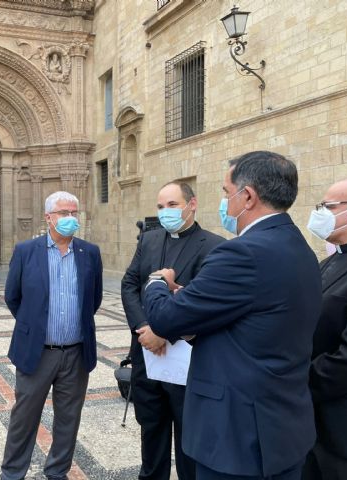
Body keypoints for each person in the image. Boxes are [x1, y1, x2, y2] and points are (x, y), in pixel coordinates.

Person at [142, 151, 322, 480]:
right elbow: (254, 320)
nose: (225, 202)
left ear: (248, 196)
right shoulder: (299, 247)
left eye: (227, 193)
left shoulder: (242, 252)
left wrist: (157, 282)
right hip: (281, 430)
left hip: (238, 439)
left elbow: (165, 319)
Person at [121, 181, 224, 480]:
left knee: (189, 437)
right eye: (160, 207)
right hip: (147, 357)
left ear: (192, 204)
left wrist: (164, 333)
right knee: (151, 429)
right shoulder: (149, 241)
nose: (165, 212)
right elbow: (130, 284)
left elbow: (205, 303)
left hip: (188, 362)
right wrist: (143, 327)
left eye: (172, 205)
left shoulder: (215, 246)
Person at [0, 191, 103, 480]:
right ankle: (12, 473)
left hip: (76, 353)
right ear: (48, 217)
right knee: (24, 417)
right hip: (38, 351)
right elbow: (13, 297)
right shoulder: (26, 251)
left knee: (68, 419)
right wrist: (33, 327)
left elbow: (93, 300)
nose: (70, 218)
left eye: (74, 212)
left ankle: (57, 472)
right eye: (63, 213)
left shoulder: (90, 253)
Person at [302, 178, 347, 479]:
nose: (320, 214)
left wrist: (295, 382)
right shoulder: (328, 263)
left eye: (327, 207)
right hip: (312, 427)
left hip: (346, 434)